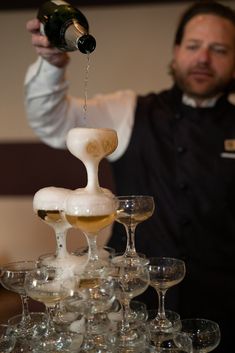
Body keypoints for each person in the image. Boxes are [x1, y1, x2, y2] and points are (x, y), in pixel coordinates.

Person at [25, 1, 235, 352]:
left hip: (222, 308)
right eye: (194, 46)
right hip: (131, 309)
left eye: (219, 49)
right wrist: (52, 65)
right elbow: (50, 123)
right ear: (176, 51)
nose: (203, 59)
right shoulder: (129, 110)